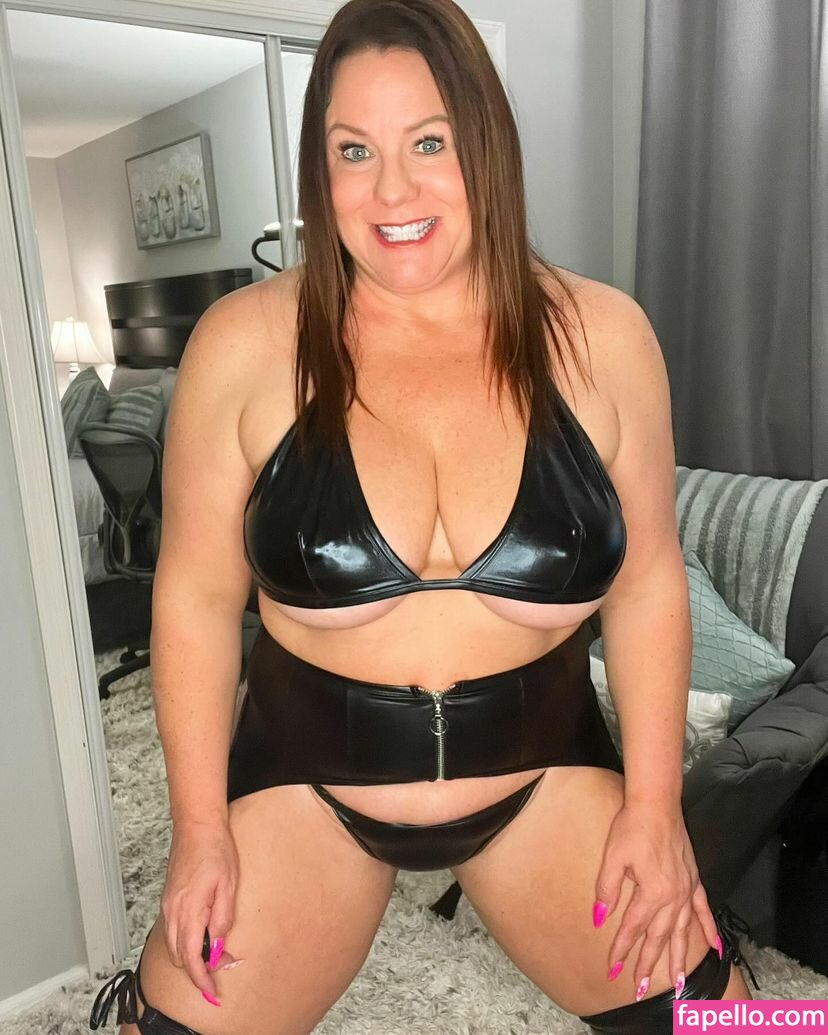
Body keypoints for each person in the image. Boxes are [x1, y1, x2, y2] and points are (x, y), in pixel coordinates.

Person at [89, 1, 755, 1032]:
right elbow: (194, 598)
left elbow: (648, 585)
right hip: (303, 777)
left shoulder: (608, 338)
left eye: (429, 142)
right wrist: (198, 830)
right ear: (319, 169)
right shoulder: (241, 345)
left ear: (485, 145)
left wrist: (654, 807)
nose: (392, 190)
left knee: (747, 1024)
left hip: (543, 770)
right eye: (353, 150)